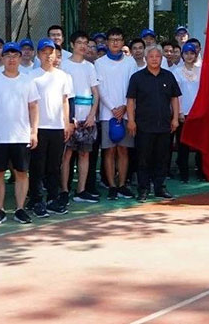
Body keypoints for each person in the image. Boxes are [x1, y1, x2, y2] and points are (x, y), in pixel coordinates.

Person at [0, 42, 40, 225]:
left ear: (20, 57)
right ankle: (0, 210)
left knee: (22, 173)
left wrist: (34, 131)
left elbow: (33, 107)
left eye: (15, 55)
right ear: (2, 58)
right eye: (8, 55)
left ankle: (20, 209)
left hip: (21, 135)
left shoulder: (28, 80)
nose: (11, 59)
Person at [126, 45, 181, 201]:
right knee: (143, 159)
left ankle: (160, 187)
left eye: (157, 56)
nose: (154, 59)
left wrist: (175, 118)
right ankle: (143, 189)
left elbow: (174, 98)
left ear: (161, 58)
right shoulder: (137, 77)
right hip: (143, 125)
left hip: (164, 125)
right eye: (151, 56)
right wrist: (131, 120)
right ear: (146, 58)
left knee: (162, 158)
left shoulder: (168, 76)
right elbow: (131, 100)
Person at [27, 39, 74, 215]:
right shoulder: (32, 76)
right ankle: (36, 200)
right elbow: (29, 104)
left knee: (54, 165)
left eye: (51, 52)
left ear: (55, 55)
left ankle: (53, 198)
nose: (48, 56)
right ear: (38, 55)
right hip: (39, 127)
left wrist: (67, 123)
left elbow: (65, 101)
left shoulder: (63, 76)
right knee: (37, 166)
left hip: (57, 127)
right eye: (44, 52)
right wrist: (32, 129)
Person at [95, 27, 138, 199]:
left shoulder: (130, 62)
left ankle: (122, 184)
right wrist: (113, 108)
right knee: (109, 151)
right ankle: (111, 185)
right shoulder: (99, 63)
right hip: (107, 114)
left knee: (123, 150)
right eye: (112, 39)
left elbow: (133, 87)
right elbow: (100, 88)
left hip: (127, 113)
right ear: (106, 42)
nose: (115, 42)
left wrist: (125, 107)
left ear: (123, 42)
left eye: (118, 39)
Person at [61, 33, 101, 205]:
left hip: (87, 118)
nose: (83, 46)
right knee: (67, 155)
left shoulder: (90, 67)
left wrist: (92, 115)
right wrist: (69, 118)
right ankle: (64, 190)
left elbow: (96, 93)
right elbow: (62, 94)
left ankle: (81, 190)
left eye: (86, 43)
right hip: (70, 118)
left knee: (84, 154)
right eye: (79, 42)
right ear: (72, 45)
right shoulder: (64, 65)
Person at [173, 43, 203, 181]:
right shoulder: (177, 71)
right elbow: (176, 94)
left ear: (195, 55)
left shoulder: (201, 70)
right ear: (182, 55)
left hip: (198, 112)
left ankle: (201, 170)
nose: (189, 56)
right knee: (183, 144)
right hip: (183, 112)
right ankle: (183, 172)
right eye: (186, 53)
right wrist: (179, 112)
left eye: (192, 53)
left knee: (200, 144)